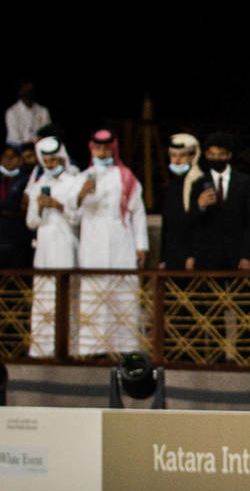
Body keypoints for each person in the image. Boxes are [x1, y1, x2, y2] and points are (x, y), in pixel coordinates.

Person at [73, 130, 148, 357]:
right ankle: (93, 347)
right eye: (98, 148)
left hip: (121, 243)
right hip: (92, 245)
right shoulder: (81, 177)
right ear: (92, 149)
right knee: (93, 294)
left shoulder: (125, 176)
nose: (103, 152)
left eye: (107, 148)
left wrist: (141, 245)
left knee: (122, 293)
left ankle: (124, 346)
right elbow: (72, 215)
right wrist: (79, 195)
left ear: (113, 149)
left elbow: (138, 212)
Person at [25, 137, 81, 357]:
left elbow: (77, 218)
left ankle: (68, 347)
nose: (50, 164)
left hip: (65, 243)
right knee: (44, 295)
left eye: (53, 160)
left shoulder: (73, 181)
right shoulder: (38, 185)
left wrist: (59, 206)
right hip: (44, 246)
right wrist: (39, 207)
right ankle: (42, 348)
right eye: (46, 161)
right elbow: (31, 222)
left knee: (65, 293)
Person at [186, 133, 250, 271]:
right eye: (212, 154)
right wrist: (199, 205)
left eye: (221, 154)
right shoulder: (199, 184)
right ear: (206, 155)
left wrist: (247, 256)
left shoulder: (244, 182)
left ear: (229, 155)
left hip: (236, 255)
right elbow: (191, 222)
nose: (216, 158)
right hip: (207, 256)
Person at [157, 134, 201, 271]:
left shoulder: (199, 182)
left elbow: (200, 226)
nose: (177, 161)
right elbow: (167, 226)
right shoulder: (171, 186)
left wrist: (193, 254)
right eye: (173, 155)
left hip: (191, 258)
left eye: (182, 156)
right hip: (172, 256)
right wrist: (163, 258)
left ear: (192, 157)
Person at [0, 144, 29, 270]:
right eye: (5, 157)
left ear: (20, 159)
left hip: (17, 234)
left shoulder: (27, 179)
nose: (9, 160)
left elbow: (15, 206)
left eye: (13, 157)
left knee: (16, 276)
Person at [6, 81, 51, 150]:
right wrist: (29, 144)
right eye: (26, 90)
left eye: (31, 90)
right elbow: (14, 137)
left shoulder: (42, 110)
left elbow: (46, 132)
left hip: (38, 146)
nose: (29, 93)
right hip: (17, 147)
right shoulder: (12, 112)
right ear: (20, 91)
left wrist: (37, 142)